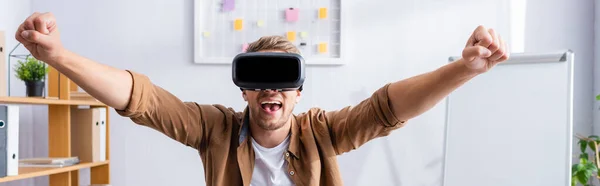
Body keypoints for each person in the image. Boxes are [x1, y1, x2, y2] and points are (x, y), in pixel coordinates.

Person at [15, 12, 509, 186]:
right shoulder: (215, 130)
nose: (270, 89)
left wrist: (463, 69)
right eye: (258, 79)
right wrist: (58, 55)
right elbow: (143, 99)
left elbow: (386, 109)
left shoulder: (323, 132)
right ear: (243, 87)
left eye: (282, 81)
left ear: (298, 92)